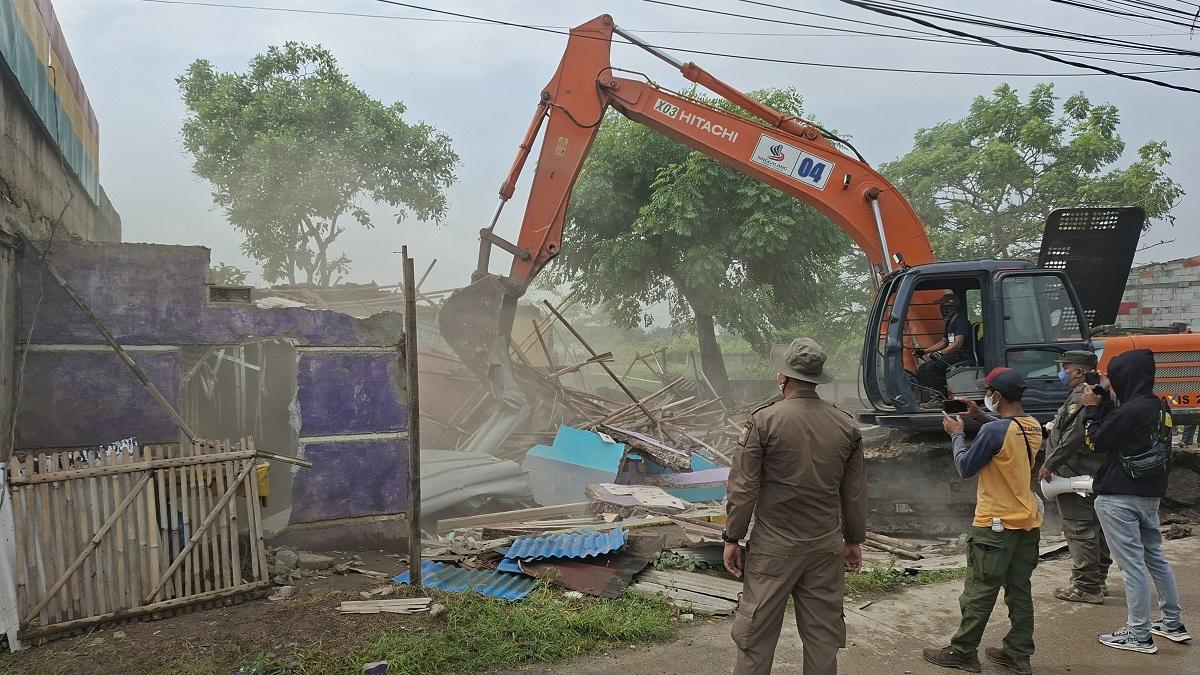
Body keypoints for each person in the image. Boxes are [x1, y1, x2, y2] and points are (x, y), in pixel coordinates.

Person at [724, 338, 866, 675]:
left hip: (774, 548)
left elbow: (744, 488)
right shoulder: (846, 425)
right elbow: (856, 492)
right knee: (822, 638)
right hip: (824, 546)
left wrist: (732, 537)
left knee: (755, 636)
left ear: (782, 377)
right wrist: (853, 539)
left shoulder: (763, 421)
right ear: (818, 378)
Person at [924, 368, 1042, 675]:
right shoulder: (1032, 426)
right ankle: (1018, 654)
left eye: (987, 393)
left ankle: (963, 652)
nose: (985, 397)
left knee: (980, 590)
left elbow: (965, 466)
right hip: (1027, 523)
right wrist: (979, 415)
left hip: (995, 526)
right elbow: (1006, 431)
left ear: (997, 396)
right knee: (1019, 590)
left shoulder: (995, 431)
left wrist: (957, 435)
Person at [1082, 349, 1190, 653]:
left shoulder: (1128, 412)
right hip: (1149, 495)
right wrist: (1105, 401)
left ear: (1125, 377)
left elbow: (1095, 443)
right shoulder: (1159, 407)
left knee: (1132, 568)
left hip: (1119, 498)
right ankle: (1172, 622)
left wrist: (1091, 408)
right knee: (1155, 558)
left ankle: (1138, 634)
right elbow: (1125, 434)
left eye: (1114, 377)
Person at [1036, 350, 1111, 604]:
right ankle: (1097, 578)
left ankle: (1087, 587)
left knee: (1079, 528)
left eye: (1065, 369)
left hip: (1075, 473)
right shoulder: (1096, 391)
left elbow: (1075, 435)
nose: (1062, 374)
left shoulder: (1084, 395)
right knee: (1096, 527)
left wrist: (1050, 463)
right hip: (1089, 471)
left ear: (1079, 371)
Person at [915, 294, 977, 397]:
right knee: (923, 368)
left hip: (964, 356)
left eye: (944, 306)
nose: (942, 309)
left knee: (932, 367)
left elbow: (957, 344)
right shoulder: (950, 323)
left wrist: (940, 353)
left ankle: (941, 396)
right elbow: (943, 342)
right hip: (954, 355)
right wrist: (924, 351)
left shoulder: (961, 321)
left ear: (953, 307)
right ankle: (933, 393)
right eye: (941, 306)